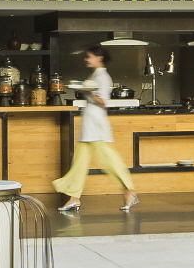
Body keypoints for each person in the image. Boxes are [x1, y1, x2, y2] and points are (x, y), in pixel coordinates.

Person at [54, 48, 138, 214]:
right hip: (89, 123)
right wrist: (86, 91)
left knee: (109, 160)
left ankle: (129, 191)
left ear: (99, 57)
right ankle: (74, 197)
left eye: (89, 57)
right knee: (79, 163)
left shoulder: (103, 77)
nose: (86, 59)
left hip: (97, 125)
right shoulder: (93, 75)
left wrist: (88, 92)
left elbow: (104, 103)